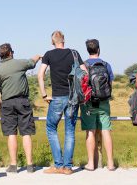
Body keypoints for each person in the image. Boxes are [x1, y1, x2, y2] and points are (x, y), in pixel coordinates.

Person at [37, 31, 87, 175]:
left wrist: (44, 94)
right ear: (64, 40)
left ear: (53, 42)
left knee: (51, 128)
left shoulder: (48, 55)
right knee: (70, 130)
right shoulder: (74, 53)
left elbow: (40, 75)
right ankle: (68, 167)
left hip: (57, 97)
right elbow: (85, 73)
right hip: (73, 98)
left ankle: (58, 165)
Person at [0, 43, 41, 174]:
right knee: (26, 133)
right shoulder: (19, 63)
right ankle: (30, 165)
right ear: (11, 53)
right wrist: (38, 56)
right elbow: (32, 62)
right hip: (23, 101)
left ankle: (13, 165)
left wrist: (0, 106)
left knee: (11, 133)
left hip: (7, 103)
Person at [79, 39, 115, 171]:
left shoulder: (83, 65)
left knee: (90, 131)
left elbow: (80, 85)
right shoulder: (106, 65)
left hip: (88, 103)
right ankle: (110, 164)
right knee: (106, 131)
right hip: (104, 102)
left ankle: (91, 163)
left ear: (87, 50)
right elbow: (110, 85)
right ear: (99, 49)